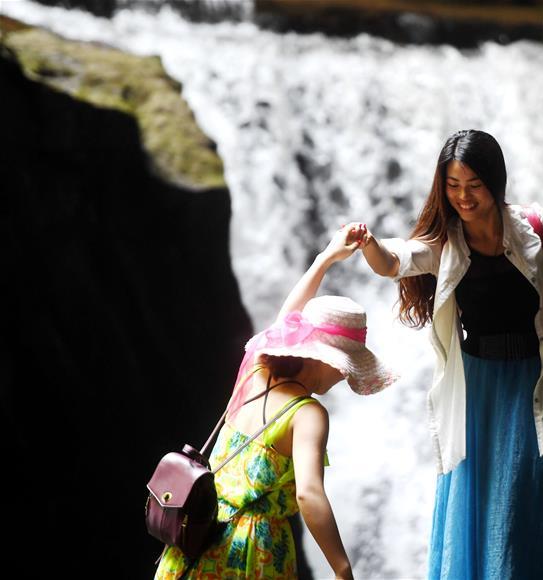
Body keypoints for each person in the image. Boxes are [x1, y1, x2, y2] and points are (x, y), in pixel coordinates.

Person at [353, 129, 543, 579]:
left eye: (473, 185)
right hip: (479, 392)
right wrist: (370, 244)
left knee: (535, 499)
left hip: (537, 380)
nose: (463, 197)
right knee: (486, 502)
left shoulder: (537, 229)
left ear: (495, 181)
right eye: (452, 186)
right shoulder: (445, 242)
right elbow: (396, 262)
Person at [155, 224, 397, 580]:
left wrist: (326, 257)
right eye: (346, 366)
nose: (346, 375)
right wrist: (343, 569)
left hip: (200, 535)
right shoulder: (307, 414)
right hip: (252, 553)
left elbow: (287, 317)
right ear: (324, 358)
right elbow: (309, 495)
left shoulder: (256, 368)